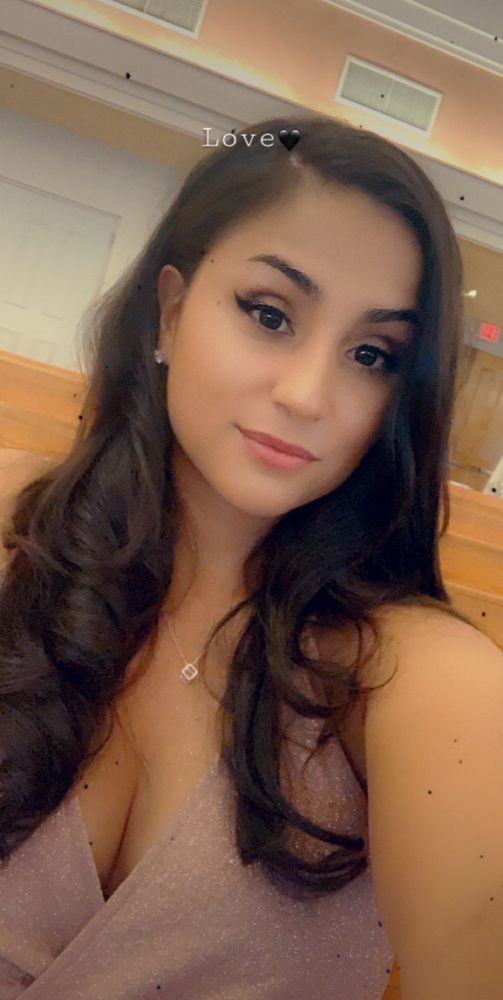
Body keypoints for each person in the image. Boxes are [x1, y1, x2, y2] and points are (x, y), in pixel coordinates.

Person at [0, 113, 502, 999]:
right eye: (269, 314)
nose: (307, 394)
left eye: (370, 354)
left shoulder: (413, 680)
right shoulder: (15, 531)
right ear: (171, 312)